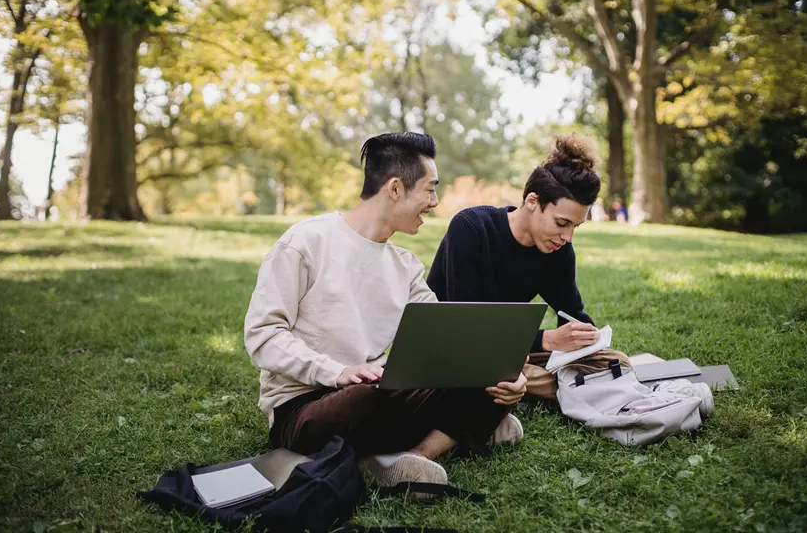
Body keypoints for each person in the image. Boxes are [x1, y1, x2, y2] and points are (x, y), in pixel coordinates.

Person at [244, 132, 527, 488]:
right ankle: (465, 429)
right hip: (305, 407)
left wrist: (502, 372)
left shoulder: (406, 266)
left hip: (379, 388)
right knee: (375, 395)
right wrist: (337, 371)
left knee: (479, 378)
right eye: (429, 189)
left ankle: (410, 457)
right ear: (395, 188)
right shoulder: (305, 243)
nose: (435, 201)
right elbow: (263, 335)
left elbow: (446, 340)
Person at [426, 135, 605, 400]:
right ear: (533, 201)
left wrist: (585, 339)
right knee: (490, 368)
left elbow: (572, 312)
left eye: (574, 227)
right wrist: (547, 340)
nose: (567, 237)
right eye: (561, 223)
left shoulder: (558, 250)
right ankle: (563, 386)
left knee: (613, 361)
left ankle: (538, 383)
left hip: (508, 351)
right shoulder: (471, 228)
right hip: (455, 347)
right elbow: (467, 326)